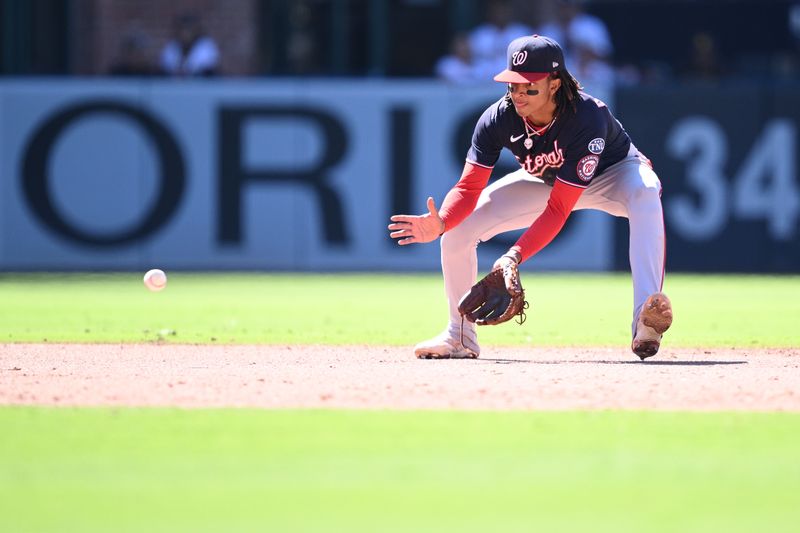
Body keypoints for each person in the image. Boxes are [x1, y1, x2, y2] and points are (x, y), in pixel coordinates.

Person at [388, 34, 673, 360]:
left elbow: (558, 210)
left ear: (554, 83)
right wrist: (443, 221)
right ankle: (460, 336)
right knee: (457, 233)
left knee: (646, 192)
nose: (519, 93)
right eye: (513, 85)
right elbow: (468, 188)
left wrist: (513, 255)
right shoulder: (498, 118)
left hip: (614, 174)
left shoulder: (586, 117)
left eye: (529, 86)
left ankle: (646, 320)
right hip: (549, 179)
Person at [468, 0, 534, 80]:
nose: (500, 14)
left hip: (515, 81)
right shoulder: (479, 35)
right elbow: (470, 63)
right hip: (484, 83)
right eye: (497, 10)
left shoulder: (522, 33)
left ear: (509, 11)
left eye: (503, 10)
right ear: (490, 12)